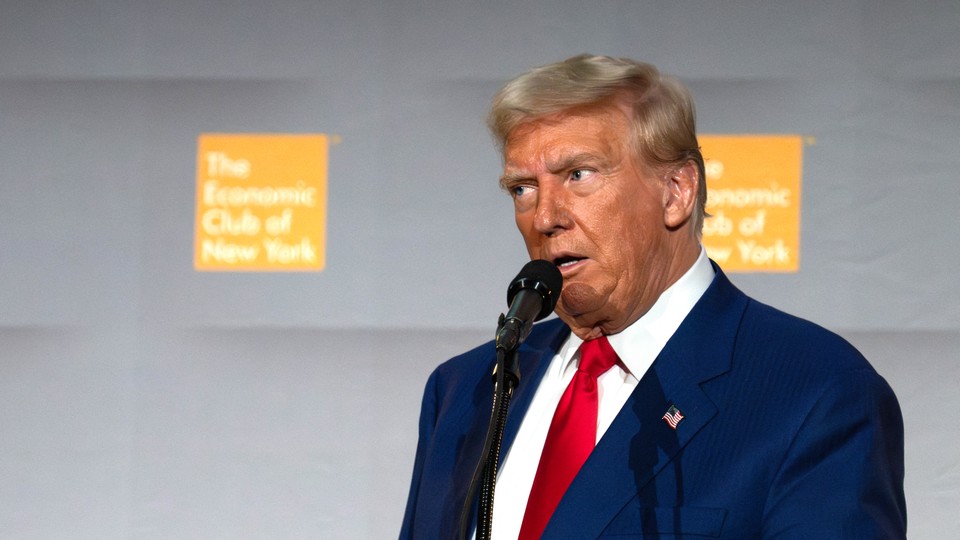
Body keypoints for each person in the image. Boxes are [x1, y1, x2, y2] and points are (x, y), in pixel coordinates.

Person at [400, 54, 906, 539]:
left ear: (676, 191)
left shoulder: (816, 392)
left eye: (578, 175)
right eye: (523, 189)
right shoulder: (466, 390)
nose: (545, 217)